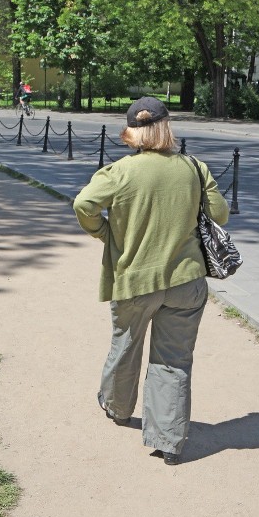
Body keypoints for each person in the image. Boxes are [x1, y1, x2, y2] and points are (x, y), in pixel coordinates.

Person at [73, 97, 230, 466]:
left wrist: (104, 231)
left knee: (126, 345)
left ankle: (117, 407)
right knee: (174, 359)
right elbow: (220, 214)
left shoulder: (119, 172)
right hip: (186, 280)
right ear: (166, 127)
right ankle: (169, 441)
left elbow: (84, 205)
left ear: (132, 132)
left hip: (135, 280)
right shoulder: (194, 167)